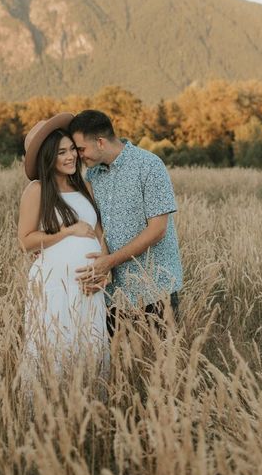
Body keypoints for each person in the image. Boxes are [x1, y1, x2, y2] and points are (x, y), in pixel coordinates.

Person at [69, 110, 182, 335]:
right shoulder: (92, 175)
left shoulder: (149, 165)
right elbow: (96, 219)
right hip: (115, 291)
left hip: (156, 286)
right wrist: (102, 260)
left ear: (100, 142)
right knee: (119, 364)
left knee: (163, 363)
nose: (78, 156)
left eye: (81, 149)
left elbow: (158, 230)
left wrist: (110, 261)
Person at [17, 113, 109, 371]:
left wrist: (105, 269)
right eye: (61, 152)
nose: (71, 157)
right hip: (53, 286)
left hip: (89, 286)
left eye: (72, 150)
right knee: (54, 349)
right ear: (48, 157)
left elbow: (100, 234)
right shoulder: (37, 190)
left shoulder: (86, 187)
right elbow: (25, 242)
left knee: (89, 350)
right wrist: (68, 231)